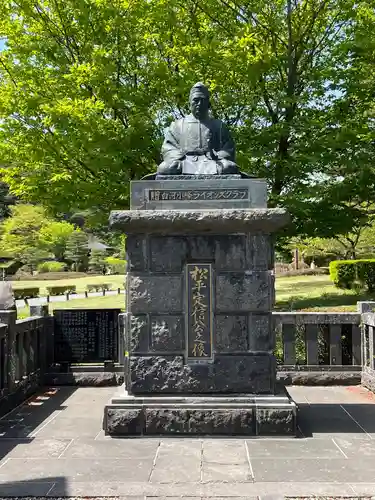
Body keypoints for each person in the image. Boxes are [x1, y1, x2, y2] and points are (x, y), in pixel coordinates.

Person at [157, 82, 240, 175]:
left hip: (212, 163)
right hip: (184, 163)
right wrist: (179, 157)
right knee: (164, 168)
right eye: (196, 100)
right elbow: (168, 147)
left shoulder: (218, 125)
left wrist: (217, 155)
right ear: (190, 103)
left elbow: (228, 148)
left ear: (208, 104)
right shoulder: (177, 125)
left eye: (203, 100)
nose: (199, 104)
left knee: (229, 167)